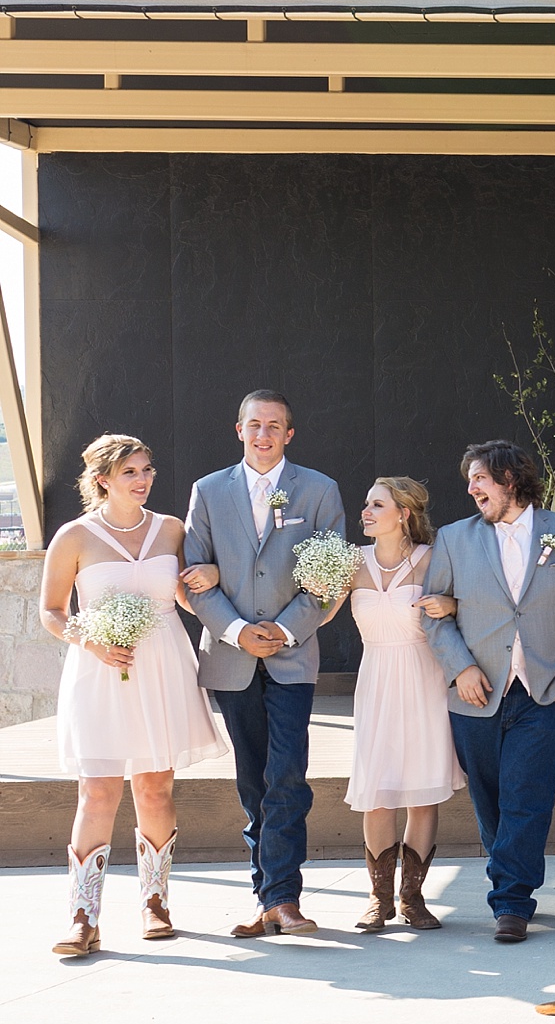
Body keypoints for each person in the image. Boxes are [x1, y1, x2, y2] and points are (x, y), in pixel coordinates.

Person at [42, 435, 228, 957]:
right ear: (102, 479)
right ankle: (83, 916)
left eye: (147, 470)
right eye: (130, 472)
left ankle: (155, 903)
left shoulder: (171, 530)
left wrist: (209, 580)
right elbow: (52, 611)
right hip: (100, 670)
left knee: (154, 789)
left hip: (163, 668)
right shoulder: (74, 536)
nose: (143, 480)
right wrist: (91, 640)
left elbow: (191, 599)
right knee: (97, 791)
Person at [420, 441, 555, 943]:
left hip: (543, 689)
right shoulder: (455, 538)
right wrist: (461, 671)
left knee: (527, 794)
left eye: (480, 478)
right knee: (490, 799)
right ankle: (510, 876)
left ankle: (512, 901)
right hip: (476, 691)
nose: (471, 488)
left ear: (510, 479)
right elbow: (432, 615)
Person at [181, 389, 346, 939]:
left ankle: (284, 897)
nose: (264, 434)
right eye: (254, 425)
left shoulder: (319, 491)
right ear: (239, 430)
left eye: (274, 426)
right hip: (231, 658)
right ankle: (265, 897)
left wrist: (280, 629)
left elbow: (329, 574)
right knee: (252, 780)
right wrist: (235, 631)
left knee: (287, 776)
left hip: (291, 656)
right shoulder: (207, 491)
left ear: (289, 434)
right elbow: (195, 574)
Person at [336, 477, 463, 932]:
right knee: (378, 793)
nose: (365, 512)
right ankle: (378, 898)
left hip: (424, 679)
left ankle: (412, 897)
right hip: (376, 681)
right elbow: (321, 612)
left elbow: (462, 607)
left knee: (423, 793)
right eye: (366, 504)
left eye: (376, 505)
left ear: (403, 513)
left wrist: (448, 603)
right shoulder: (352, 563)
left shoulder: (433, 559)